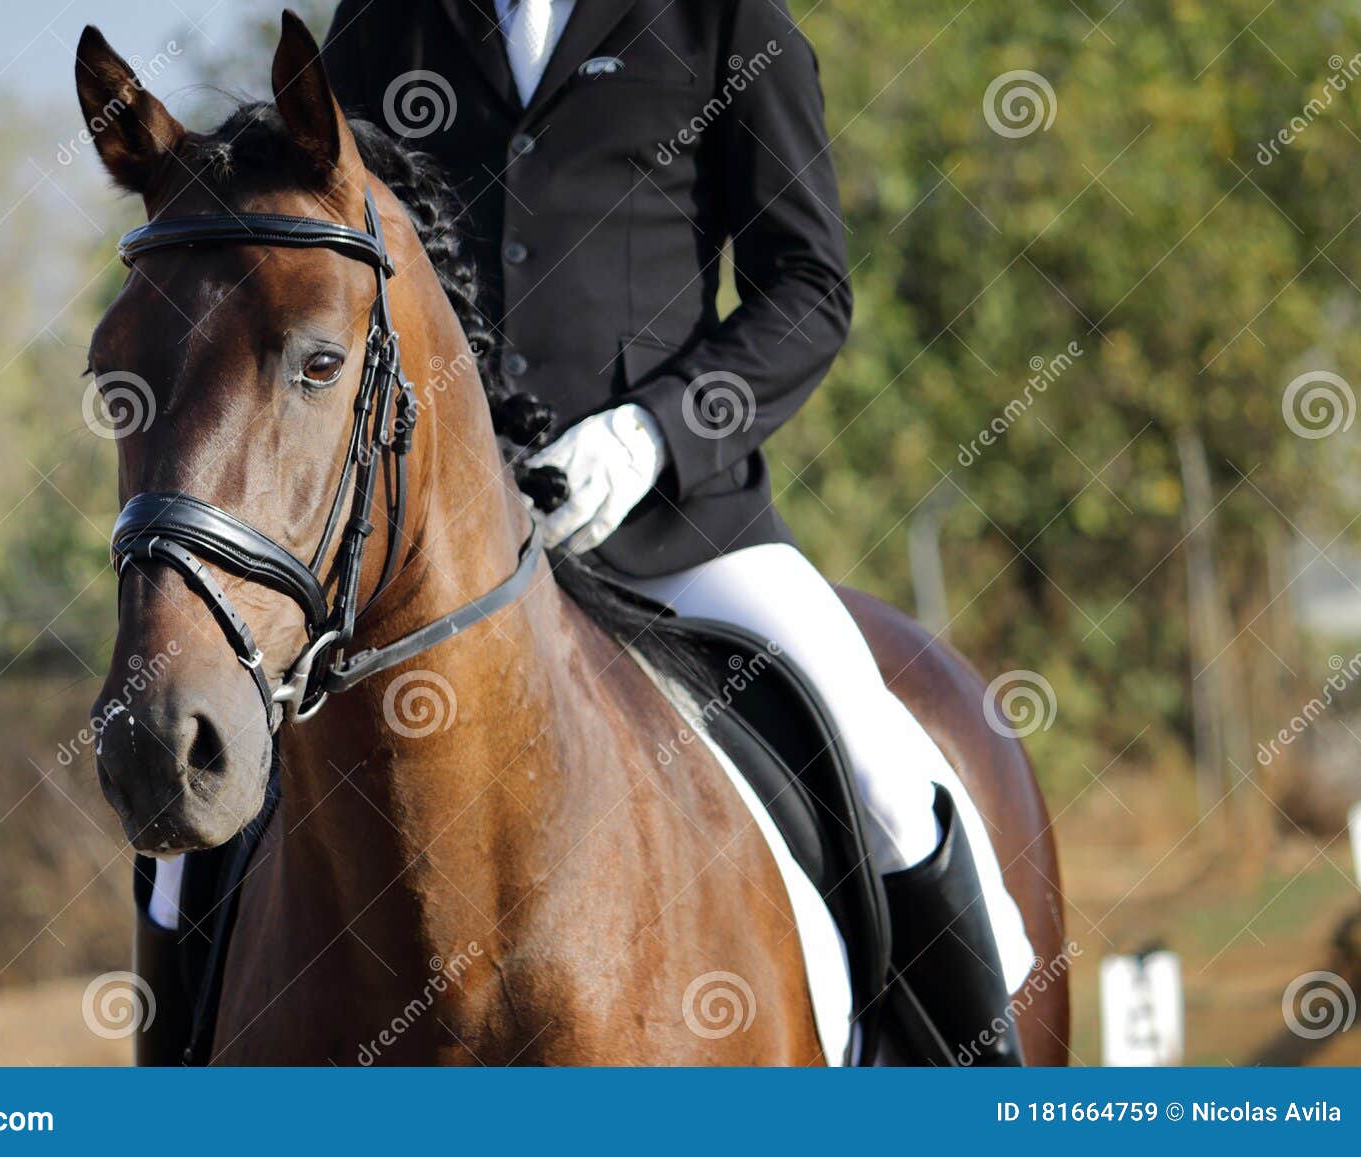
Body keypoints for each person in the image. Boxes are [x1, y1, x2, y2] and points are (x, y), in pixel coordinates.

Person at [324, 0, 1033, 1063]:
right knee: (205, 840)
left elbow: (808, 289)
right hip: (431, 557)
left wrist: (653, 435)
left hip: (682, 533)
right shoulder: (387, 23)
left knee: (885, 772)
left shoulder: (722, 19)